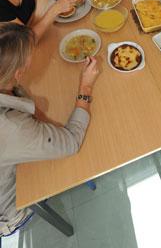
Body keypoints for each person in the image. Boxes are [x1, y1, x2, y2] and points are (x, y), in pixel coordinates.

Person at [0, 22, 100, 236]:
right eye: (30, 57)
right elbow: (71, 142)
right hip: (10, 205)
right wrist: (86, 86)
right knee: (87, 153)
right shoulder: (12, 126)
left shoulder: (9, 94)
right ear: (18, 73)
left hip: (12, 154)